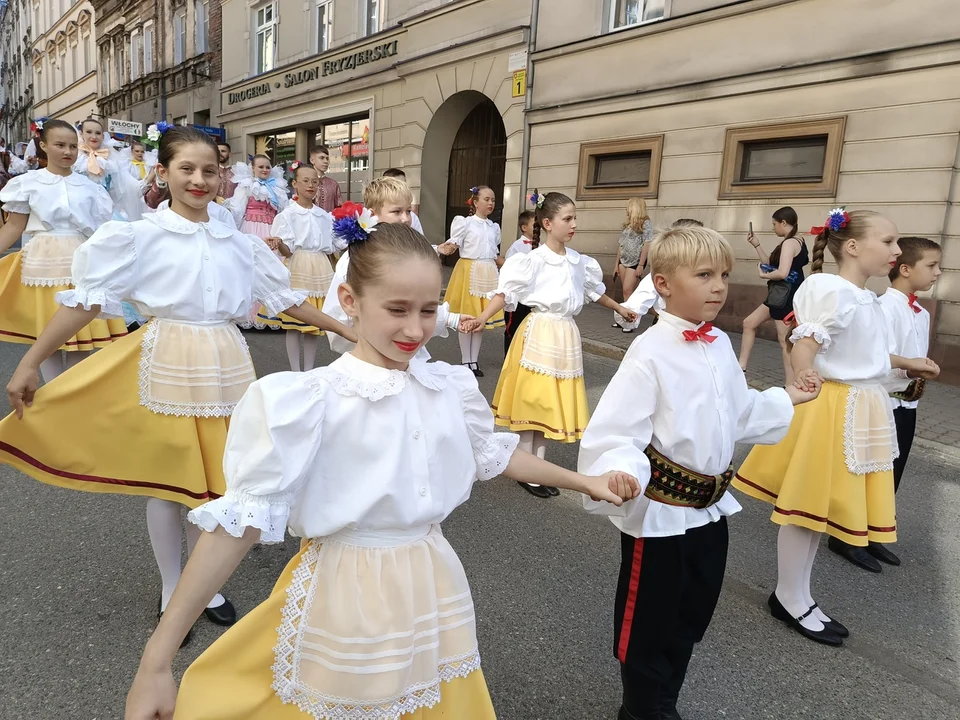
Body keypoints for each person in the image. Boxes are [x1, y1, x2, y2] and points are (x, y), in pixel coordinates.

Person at [122, 219, 641, 720]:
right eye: (397, 309)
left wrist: (584, 482)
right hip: (345, 594)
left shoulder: (448, 387)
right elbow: (235, 529)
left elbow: (495, 453)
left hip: (432, 584)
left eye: (428, 309)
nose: (415, 329)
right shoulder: (307, 402)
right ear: (350, 301)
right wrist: (156, 659)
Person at [0, 126, 357, 648]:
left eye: (209, 170)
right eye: (186, 169)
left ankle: (202, 585)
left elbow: (285, 300)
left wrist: (346, 328)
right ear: (162, 174)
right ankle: (174, 589)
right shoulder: (139, 236)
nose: (199, 179)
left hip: (227, 366)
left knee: (219, 481)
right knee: (169, 485)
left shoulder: (239, 243)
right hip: (167, 362)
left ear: (222, 177)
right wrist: (30, 361)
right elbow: (86, 301)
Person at [580, 225, 813, 720]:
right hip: (662, 515)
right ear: (662, 284)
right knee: (648, 624)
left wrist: (787, 397)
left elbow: (736, 411)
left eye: (724, 275)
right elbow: (617, 429)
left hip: (709, 514)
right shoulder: (650, 352)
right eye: (704, 274)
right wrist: (620, 470)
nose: (718, 286)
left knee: (689, 617)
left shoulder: (719, 346)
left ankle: (666, 703)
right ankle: (641, 710)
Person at [733, 209, 940, 646]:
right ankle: (790, 596)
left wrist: (907, 363)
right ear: (852, 246)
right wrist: (805, 370)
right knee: (806, 508)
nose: (897, 250)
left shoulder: (865, 297)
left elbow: (866, 356)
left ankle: (797, 593)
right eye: (887, 242)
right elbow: (806, 340)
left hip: (859, 404)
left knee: (818, 512)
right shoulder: (830, 289)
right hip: (834, 406)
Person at [465, 191, 638, 499]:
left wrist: (620, 308)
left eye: (575, 219)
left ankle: (537, 468)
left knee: (548, 407)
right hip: (539, 333)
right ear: (547, 223)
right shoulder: (530, 261)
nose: (573, 225)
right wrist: (481, 318)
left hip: (565, 335)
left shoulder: (579, 262)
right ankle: (527, 470)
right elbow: (504, 294)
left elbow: (594, 293)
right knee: (534, 401)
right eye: (567, 219)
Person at [828, 236, 942, 571]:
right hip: (882, 402)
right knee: (868, 468)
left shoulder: (919, 312)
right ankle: (846, 535)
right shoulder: (883, 307)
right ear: (905, 269)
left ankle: (873, 531)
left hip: (908, 404)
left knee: (893, 471)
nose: (938, 273)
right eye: (931, 266)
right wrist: (908, 366)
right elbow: (874, 357)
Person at [0, 118, 125, 382]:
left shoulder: (91, 188)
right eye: (59, 145)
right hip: (42, 264)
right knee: (48, 339)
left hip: (82, 263)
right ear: (43, 145)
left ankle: (69, 398)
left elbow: (99, 233)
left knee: (83, 335)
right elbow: (13, 228)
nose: (67, 152)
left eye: (72, 146)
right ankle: (49, 399)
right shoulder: (28, 183)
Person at [321, 177, 468, 358]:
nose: (405, 218)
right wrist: (358, 339)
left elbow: (417, 302)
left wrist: (450, 318)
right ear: (372, 214)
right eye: (397, 211)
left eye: (408, 211)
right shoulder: (355, 258)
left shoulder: (407, 250)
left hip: (406, 350)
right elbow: (338, 310)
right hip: (374, 351)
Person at [255, 161, 336, 371]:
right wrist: (279, 243)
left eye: (315, 182)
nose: (310, 185)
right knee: (295, 322)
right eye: (306, 181)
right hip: (298, 266)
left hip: (320, 267)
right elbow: (287, 251)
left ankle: (308, 369)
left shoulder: (325, 216)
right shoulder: (287, 215)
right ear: (295, 184)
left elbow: (333, 245)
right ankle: (295, 370)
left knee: (313, 324)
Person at [436, 185, 505, 376]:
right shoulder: (465, 223)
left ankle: (474, 361)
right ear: (475, 202)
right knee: (467, 316)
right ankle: (465, 360)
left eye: (493, 200)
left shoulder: (494, 227)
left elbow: (494, 254)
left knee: (481, 317)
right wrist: (439, 250)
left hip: (488, 272)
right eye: (486, 199)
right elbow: (453, 245)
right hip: (469, 270)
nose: (491, 203)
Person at [739, 207, 809, 385]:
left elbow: (782, 273)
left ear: (783, 223)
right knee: (749, 323)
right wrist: (756, 245)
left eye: (774, 224)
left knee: (785, 341)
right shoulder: (796, 240)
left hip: (784, 296)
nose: (773, 228)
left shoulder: (790, 243)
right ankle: (741, 367)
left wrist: (764, 276)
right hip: (780, 295)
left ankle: (791, 384)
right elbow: (770, 262)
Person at [72, 118, 144, 221]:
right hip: (78, 211)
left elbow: (129, 185)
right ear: (81, 134)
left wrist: (150, 179)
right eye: (88, 132)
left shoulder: (111, 160)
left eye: (98, 133)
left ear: (102, 136)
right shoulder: (74, 156)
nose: (94, 136)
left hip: (104, 212)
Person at [613, 198, 654, 334]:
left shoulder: (646, 224)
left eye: (629, 207)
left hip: (635, 262)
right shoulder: (627, 224)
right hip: (623, 261)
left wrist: (641, 265)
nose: (627, 209)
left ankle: (631, 320)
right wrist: (616, 264)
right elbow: (621, 245)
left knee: (628, 291)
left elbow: (647, 245)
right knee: (626, 292)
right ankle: (624, 318)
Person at [226, 154, 289, 242]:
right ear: (253, 168)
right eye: (261, 167)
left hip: (272, 229)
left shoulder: (277, 187)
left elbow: (283, 211)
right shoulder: (246, 185)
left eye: (267, 167)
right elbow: (238, 210)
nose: (265, 170)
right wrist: (233, 230)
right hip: (251, 228)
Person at [503, 210, 535, 353]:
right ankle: (508, 358)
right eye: (535, 224)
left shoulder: (541, 246)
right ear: (524, 227)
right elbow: (509, 270)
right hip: (517, 297)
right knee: (512, 328)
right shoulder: (517, 246)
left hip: (532, 296)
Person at [382, 168, 423, 233]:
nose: (405, 219)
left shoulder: (412, 217)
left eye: (408, 211)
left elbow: (420, 241)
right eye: (396, 212)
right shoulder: (367, 218)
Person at [310, 145, 343, 212]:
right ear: (312, 160)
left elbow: (339, 208)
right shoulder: (305, 182)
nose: (325, 161)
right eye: (321, 158)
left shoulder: (333, 184)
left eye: (327, 158)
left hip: (329, 221)